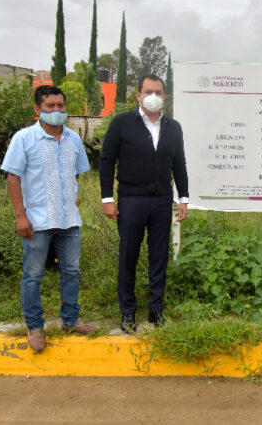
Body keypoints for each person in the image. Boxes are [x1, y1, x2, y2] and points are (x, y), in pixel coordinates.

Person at [1, 85, 95, 351]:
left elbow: (76, 174)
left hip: (68, 221)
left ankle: (70, 321)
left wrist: (70, 198)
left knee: (72, 271)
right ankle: (35, 327)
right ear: (37, 109)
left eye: (60, 106)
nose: (56, 111)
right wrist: (21, 216)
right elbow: (13, 178)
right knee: (32, 275)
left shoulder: (73, 139)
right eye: (50, 106)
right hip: (37, 221)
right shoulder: (24, 139)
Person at [99, 74, 189, 332]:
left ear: (164, 96)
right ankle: (127, 312)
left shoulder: (173, 127)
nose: (154, 96)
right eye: (148, 91)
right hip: (131, 199)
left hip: (162, 200)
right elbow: (107, 160)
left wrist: (183, 198)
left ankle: (155, 310)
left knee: (159, 257)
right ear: (138, 95)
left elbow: (179, 164)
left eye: (159, 92)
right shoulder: (121, 123)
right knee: (129, 255)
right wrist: (108, 198)